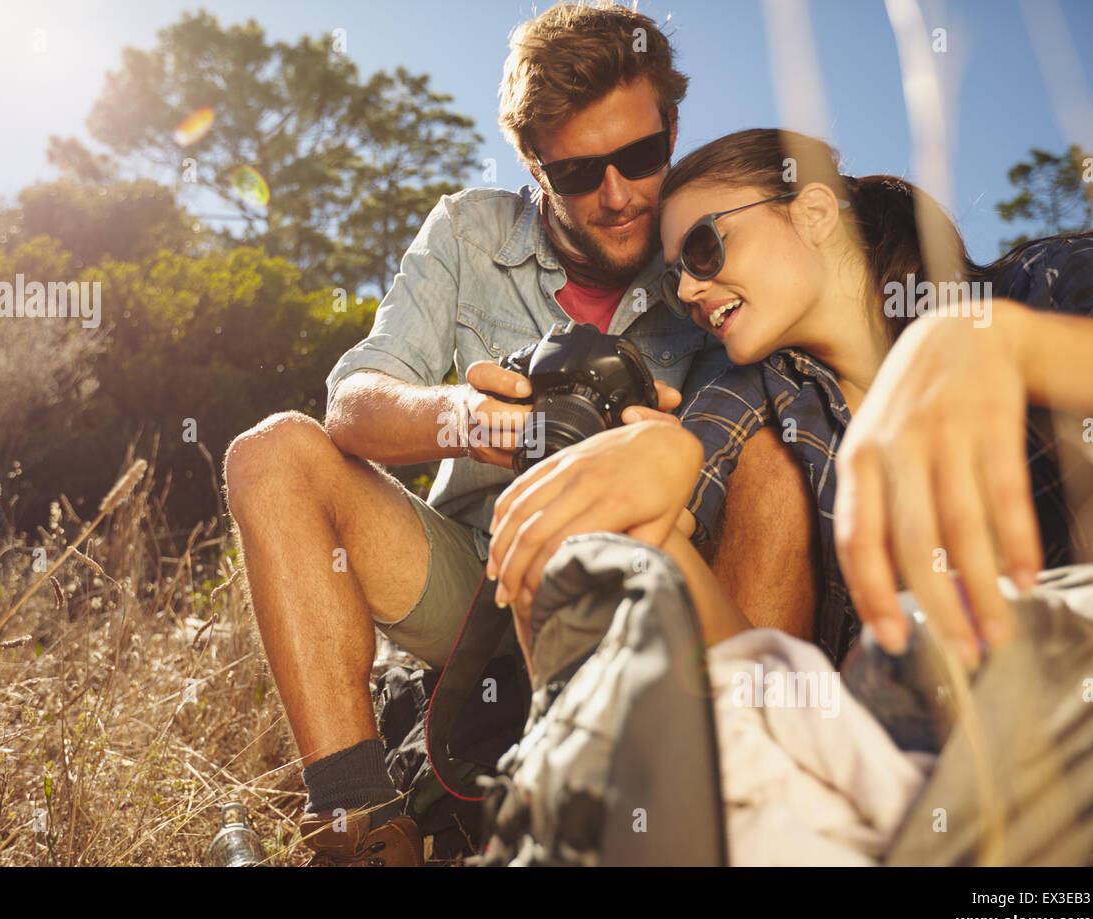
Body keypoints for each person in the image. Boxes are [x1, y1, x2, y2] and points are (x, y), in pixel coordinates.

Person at [223, 7, 813, 866]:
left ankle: (755, 807)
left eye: (642, 158)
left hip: (651, 578)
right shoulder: (468, 231)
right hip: (474, 579)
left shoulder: (710, 251)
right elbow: (351, 400)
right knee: (271, 453)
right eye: (577, 172)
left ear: (673, 130)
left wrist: (662, 447)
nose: (617, 196)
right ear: (532, 167)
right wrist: (470, 418)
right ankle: (362, 832)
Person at [486, 127, 1093, 678]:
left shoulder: (1041, 284)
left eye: (703, 248)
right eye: (673, 276)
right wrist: (649, 521)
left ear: (815, 214)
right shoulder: (757, 400)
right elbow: (745, 676)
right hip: (924, 756)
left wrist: (1002, 345)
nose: (686, 288)